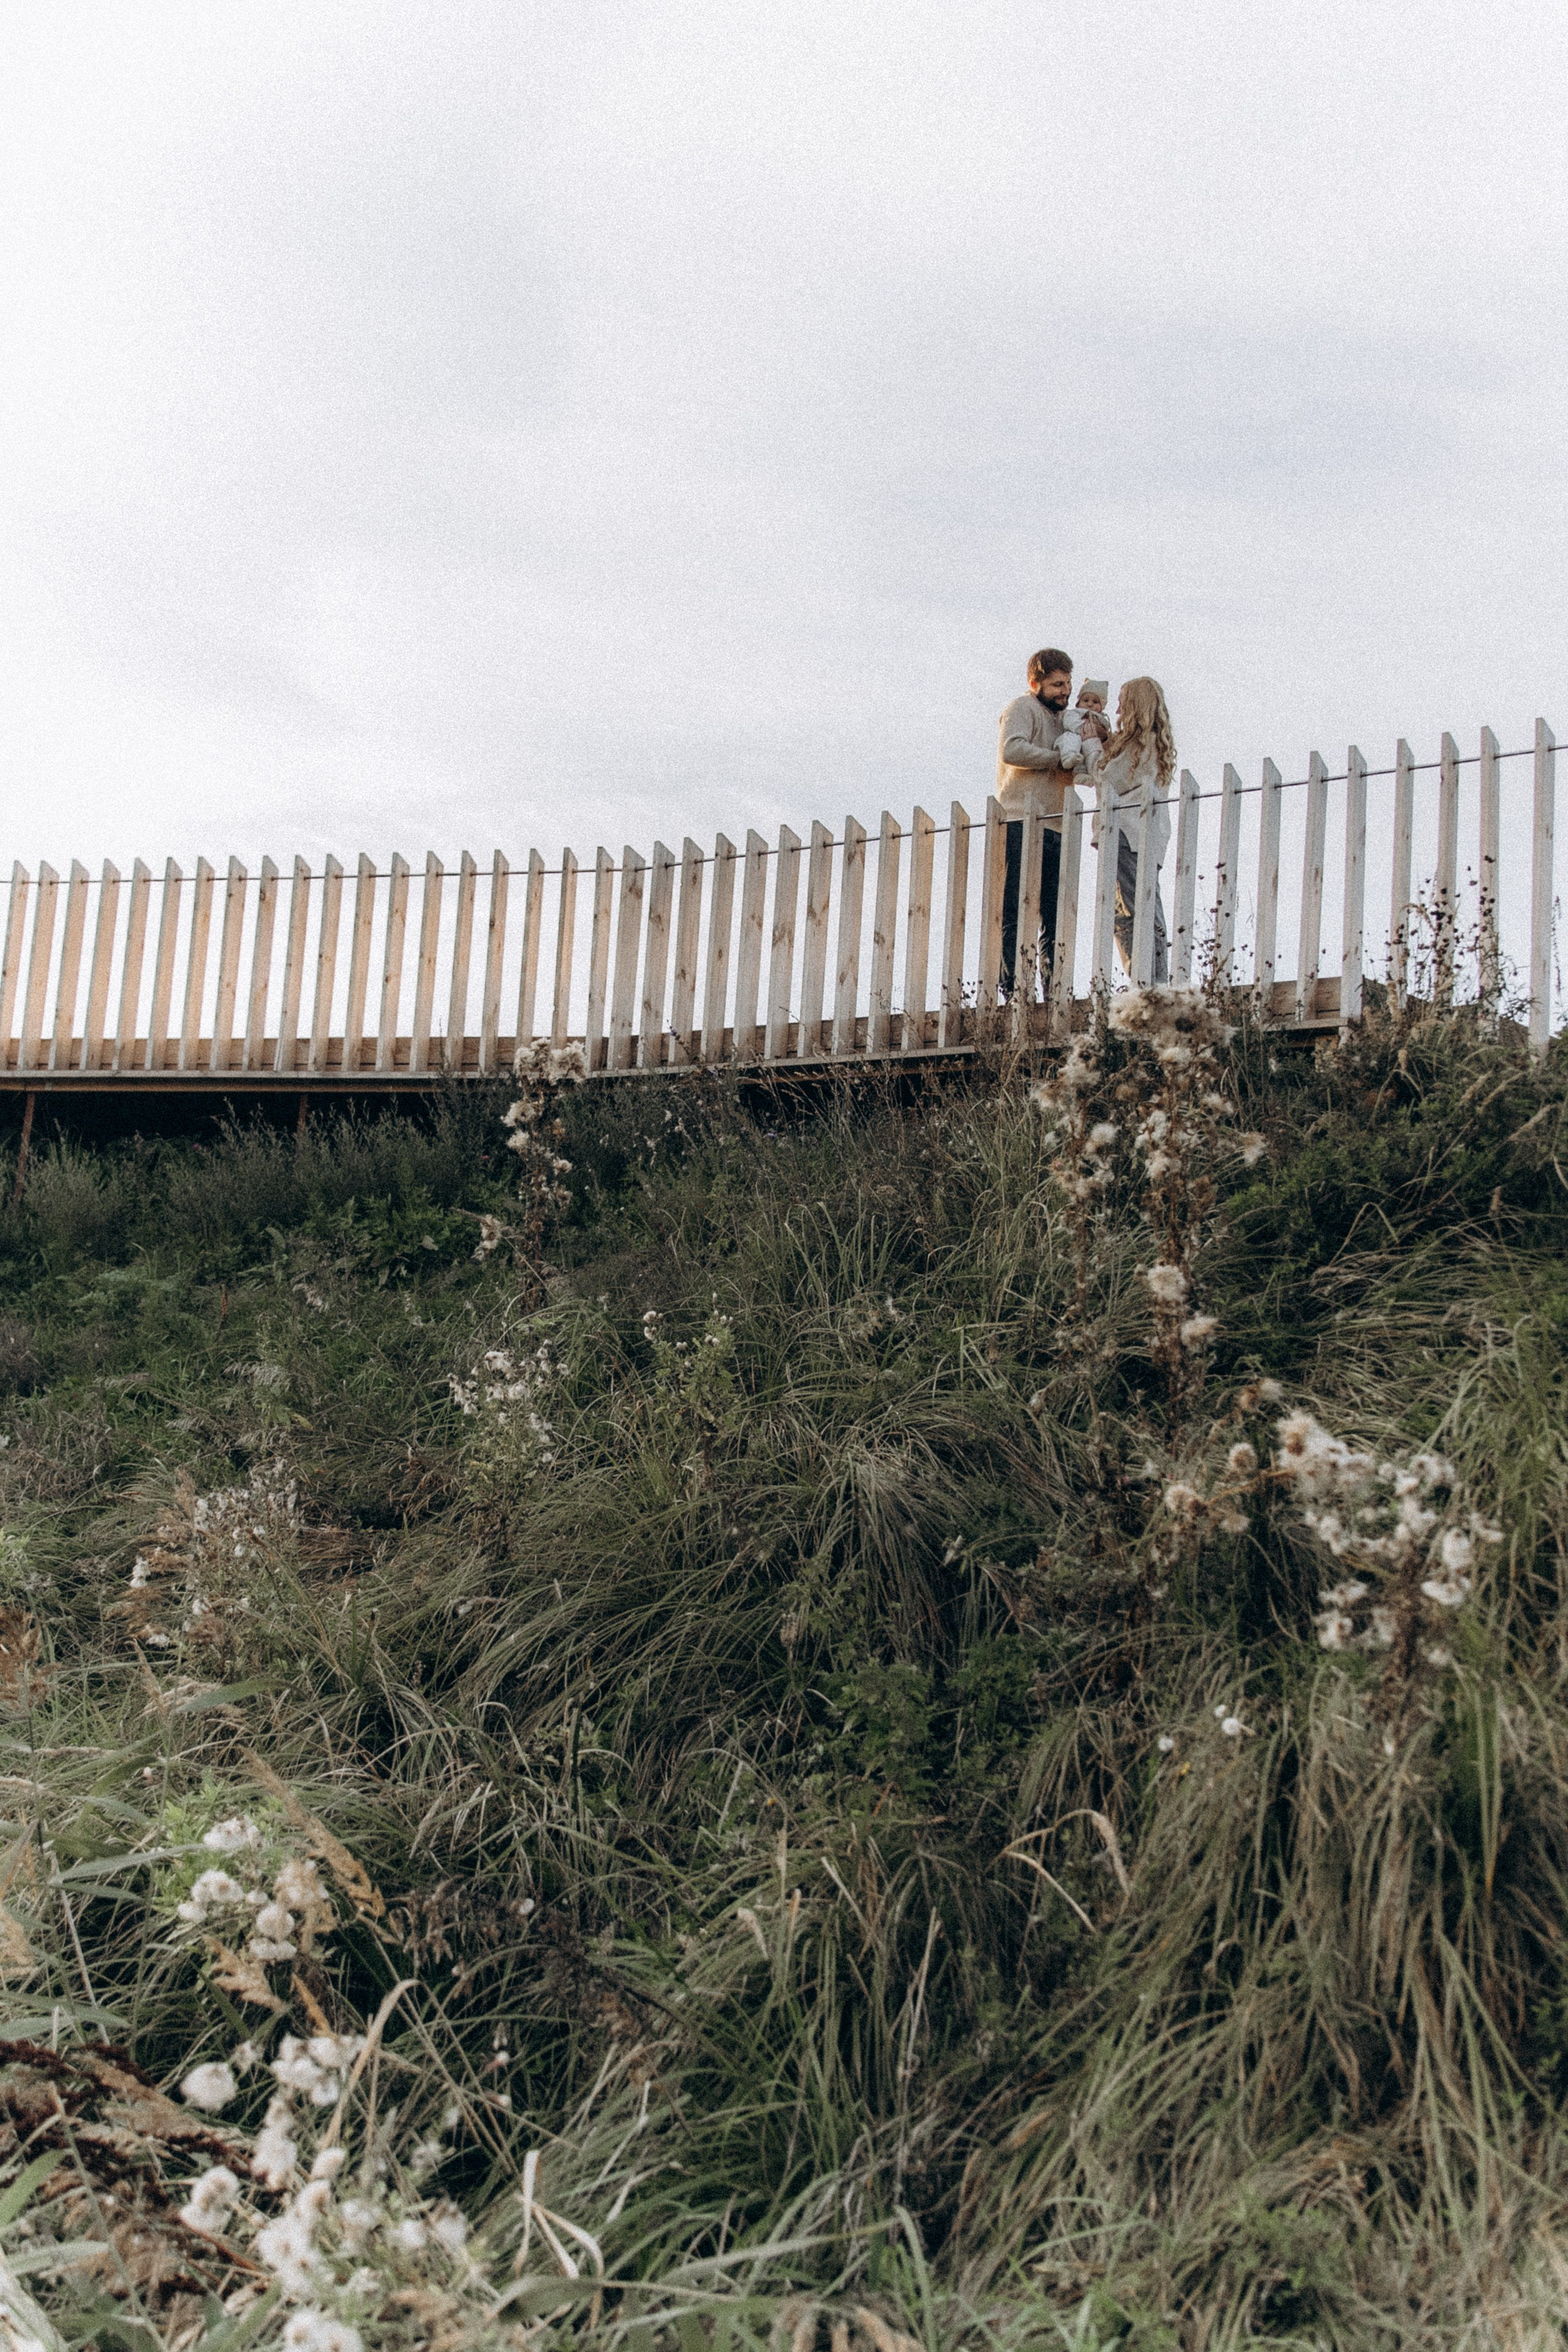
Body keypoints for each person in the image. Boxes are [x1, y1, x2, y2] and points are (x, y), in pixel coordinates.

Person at [996, 649, 1081, 994]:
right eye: (1057, 684)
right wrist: (1055, 760)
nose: (1065, 691)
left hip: (1058, 825)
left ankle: (1053, 992)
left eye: (1068, 684)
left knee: (1055, 915)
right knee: (1016, 910)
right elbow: (1011, 750)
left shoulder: (1066, 721)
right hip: (1019, 820)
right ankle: (1013, 989)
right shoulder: (1022, 708)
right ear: (1036, 683)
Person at [1090, 675, 1175, 982]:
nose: (1117, 713)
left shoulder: (1140, 745)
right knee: (1146, 905)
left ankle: (1145, 980)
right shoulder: (1154, 745)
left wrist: (1091, 747)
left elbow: (1108, 780)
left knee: (1127, 911)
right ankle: (1154, 978)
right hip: (1145, 835)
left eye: (1122, 704)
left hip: (1126, 833)